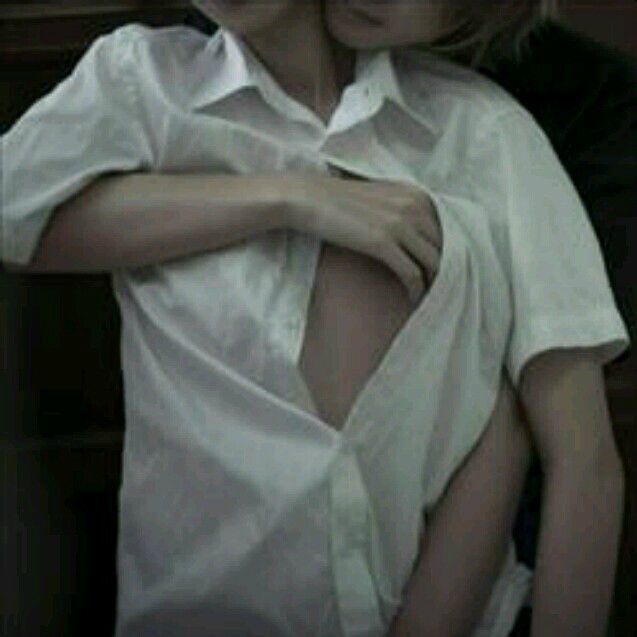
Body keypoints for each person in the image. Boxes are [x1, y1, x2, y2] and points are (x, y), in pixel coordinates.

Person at [1, 2, 628, 637]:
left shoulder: (482, 129)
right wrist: (289, 198)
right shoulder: (143, 80)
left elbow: (582, 459)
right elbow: (11, 210)